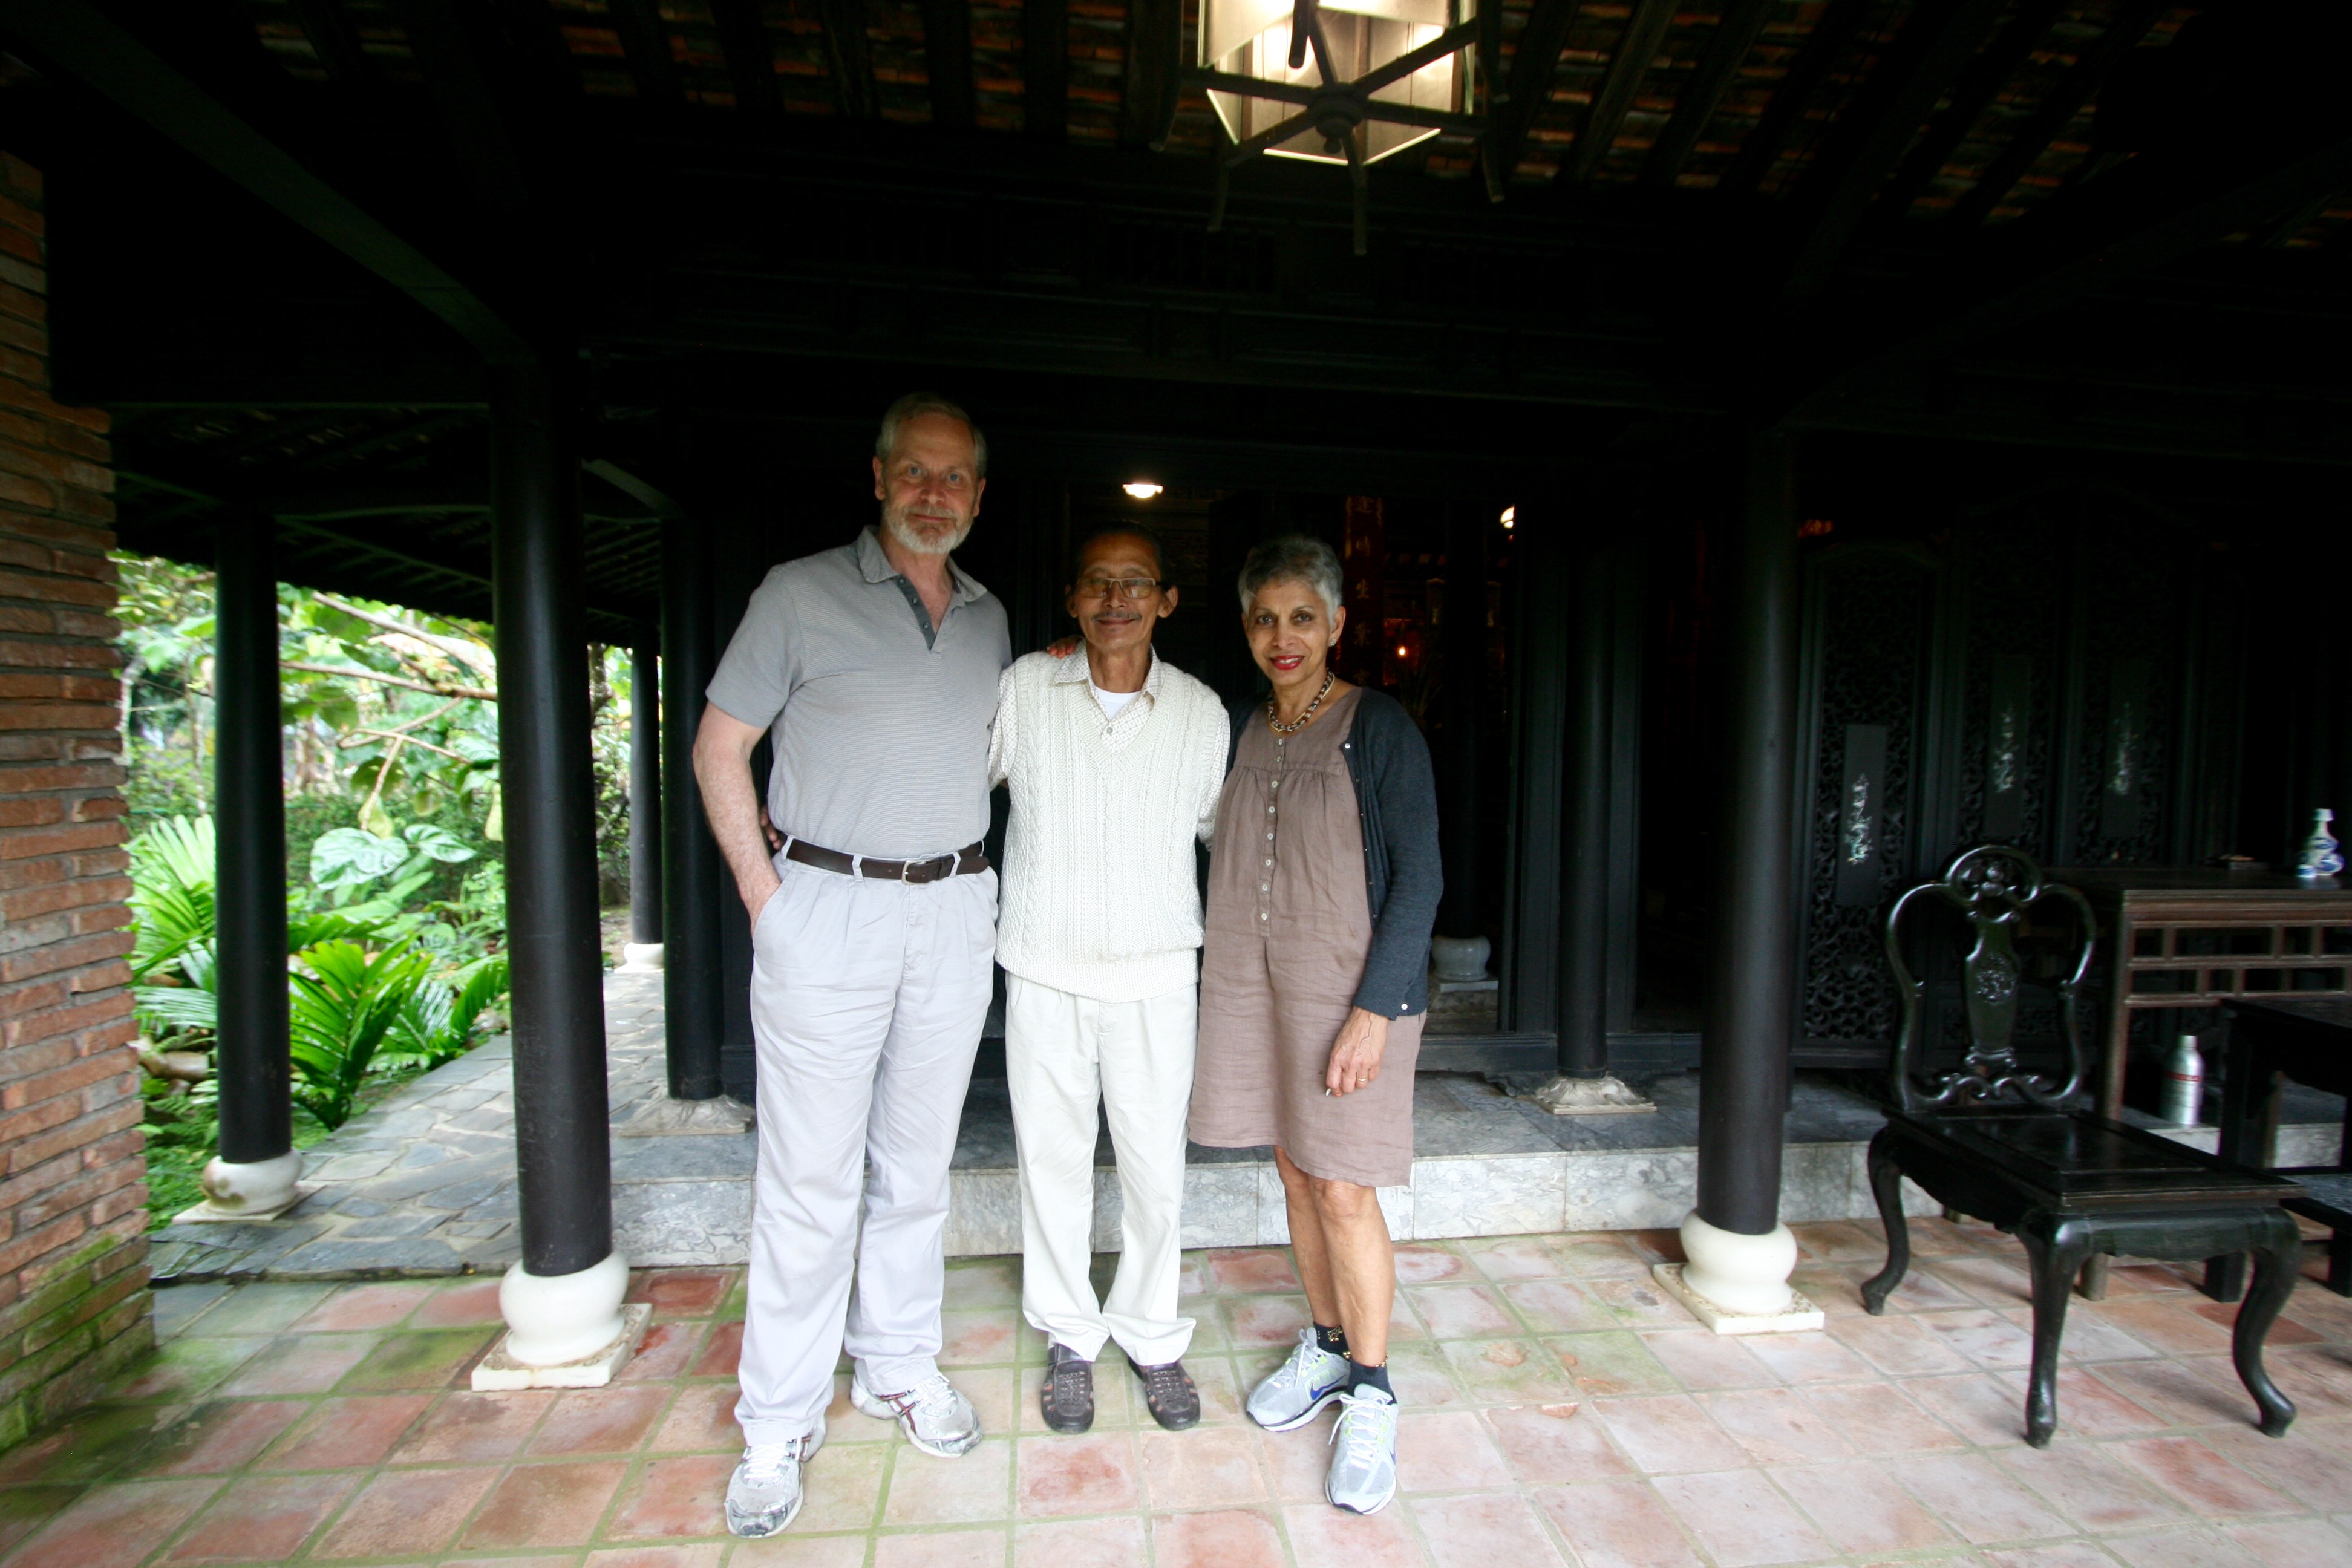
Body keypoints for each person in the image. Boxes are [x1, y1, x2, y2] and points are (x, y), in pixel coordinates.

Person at [694, 393, 1010, 1539]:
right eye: (913, 472)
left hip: (953, 907)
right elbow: (719, 747)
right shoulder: (797, 593)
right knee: (808, 1179)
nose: (934, 493)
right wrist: (765, 900)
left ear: (979, 494)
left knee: (917, 1167)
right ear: (877, 478)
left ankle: (897, 1365)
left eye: (954, 476)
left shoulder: (991, 619)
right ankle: (778, 1419)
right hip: (825, 907)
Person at [1190, 534, 1440, 1517]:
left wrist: (1374, 1012)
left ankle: (1373, 1389)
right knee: (1296, 1168)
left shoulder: (1378, 727)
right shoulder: (1242, 727)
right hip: (1258, 986)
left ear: (1337, 623)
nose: (1282, 636)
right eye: (1265, 619)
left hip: (1351, 993)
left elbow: (1420, 879)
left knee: (1342, 1185)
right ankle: (1329, 1347)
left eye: (1302, 617)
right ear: (1246, 628)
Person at [988, 527, 1229, 1434]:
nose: (1117, 599)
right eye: (1098, 583)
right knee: (1050, 1165)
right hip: (1045, 969)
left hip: (1158, 976)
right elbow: (957, 781)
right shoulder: (1025, 687)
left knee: (1155, 1173)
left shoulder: (1201, 711)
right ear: (1072, 599)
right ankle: (1068, 1334)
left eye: (1136, 584)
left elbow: (1222, 835)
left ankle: (1151, 1333)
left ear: (1167, 600)